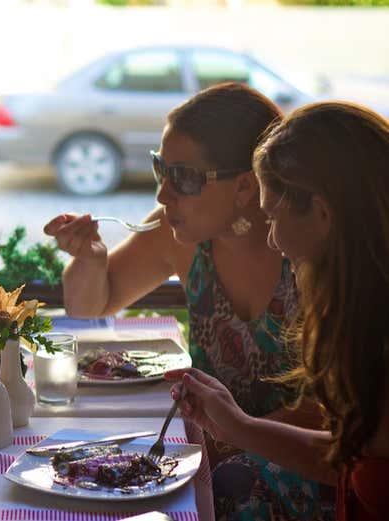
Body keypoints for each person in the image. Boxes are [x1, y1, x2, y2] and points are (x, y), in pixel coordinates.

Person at [44, 83, 333, 519]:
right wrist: (89, 259)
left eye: (183, 177)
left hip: (303, 465)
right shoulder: (178, 233)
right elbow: (89, 307)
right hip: (215, 447)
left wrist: (228, 440)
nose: (163, 194)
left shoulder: (306, 250)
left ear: (245, 186)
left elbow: (328, 416)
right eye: (161, 169)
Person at [166, 101, 389, 521]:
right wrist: (238, 426)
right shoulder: (365, 315)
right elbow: (346, 458)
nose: (272, 240)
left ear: (321, 213)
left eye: (271, 218)